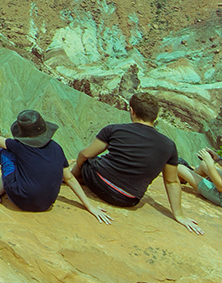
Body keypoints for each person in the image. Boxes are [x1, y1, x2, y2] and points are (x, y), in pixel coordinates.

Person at [63, 93, 202, 234]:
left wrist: (78, 168)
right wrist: (179, 215)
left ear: (132, 111)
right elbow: (172, 181)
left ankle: (69, 179)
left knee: (89, 162)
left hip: (99, 182)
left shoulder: (114, 129)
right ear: (156, 117)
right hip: (128, 199)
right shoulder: (169, 145)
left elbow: (85, 154)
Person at [0, 109, 66, 211]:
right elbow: (69, 178)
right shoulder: (56, 148)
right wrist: (83, 202)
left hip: (22, 199)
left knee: (3, 149)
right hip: (46, 204)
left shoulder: (20, 146)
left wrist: (12, 142)